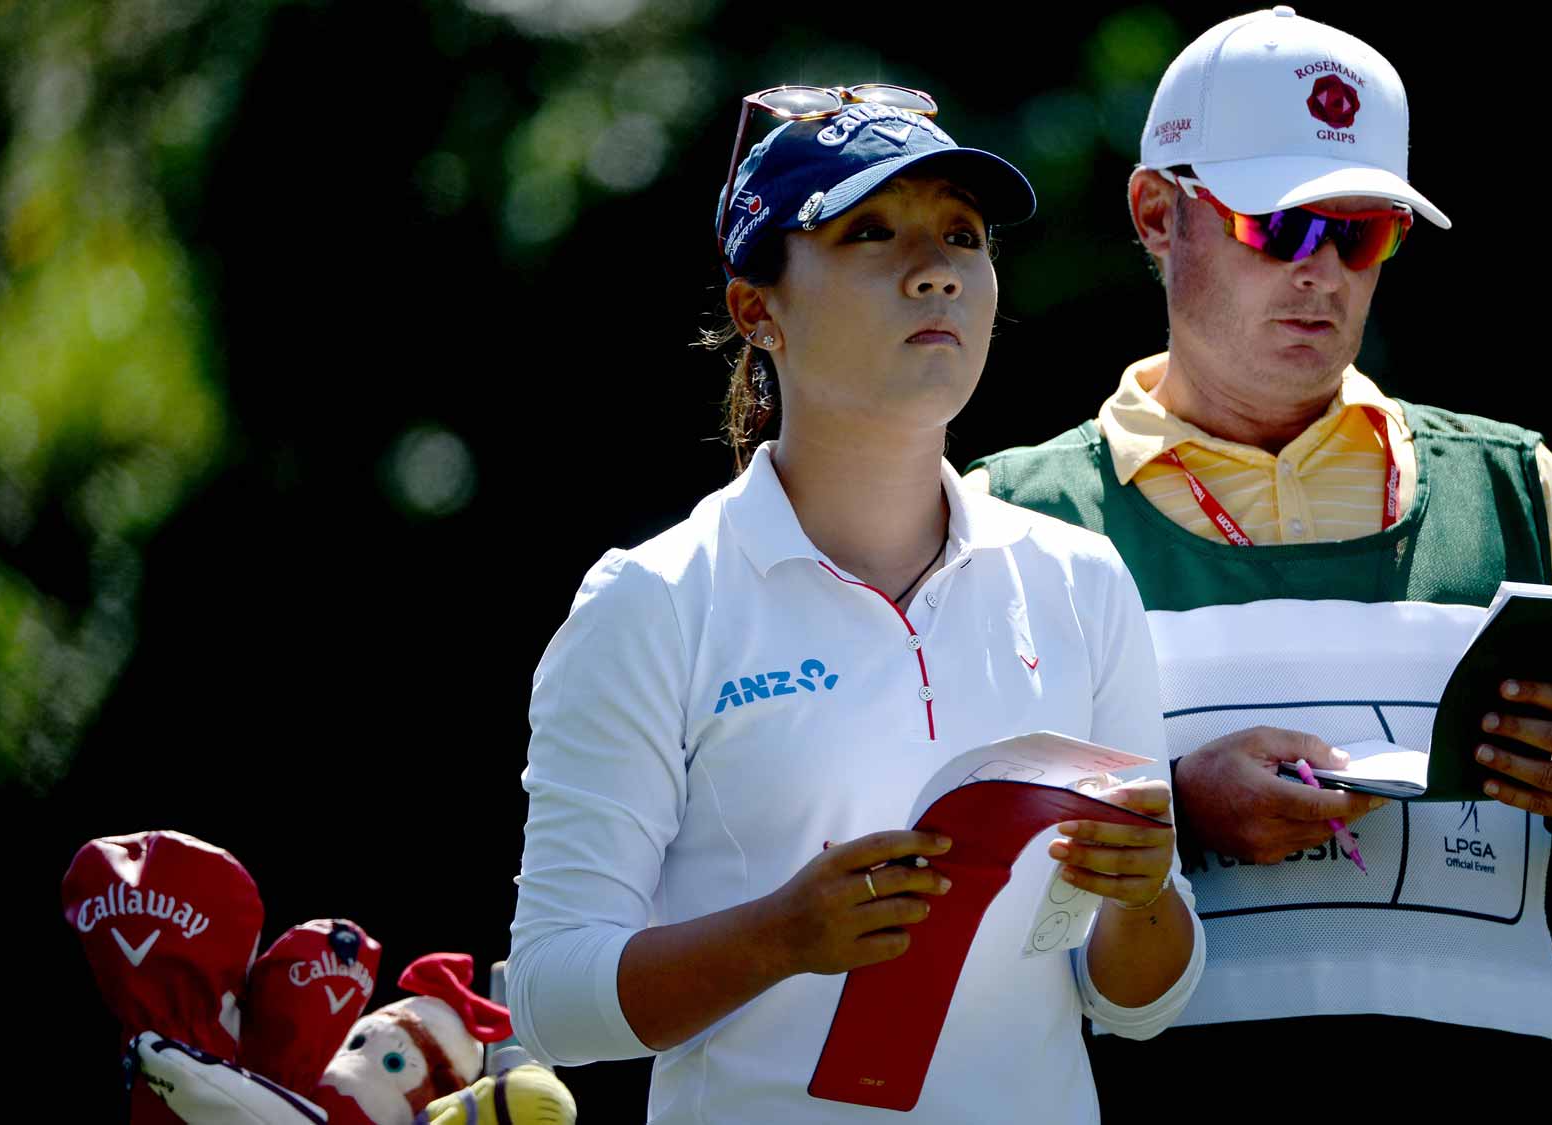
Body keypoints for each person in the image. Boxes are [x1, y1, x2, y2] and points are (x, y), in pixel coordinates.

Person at [967, 8, 1552, 1117]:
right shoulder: (1005, 516)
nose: (1320, 274)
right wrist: (1177, 812)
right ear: (1153, 213)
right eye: (1278, 226)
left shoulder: (1516, 489)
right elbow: (945, 882)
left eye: (1359, 232)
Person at [505, 84, 1203, 1124]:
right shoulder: (652, 601)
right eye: (867, 232)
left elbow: (1134, 1002)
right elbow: (552, 999)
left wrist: (1142, 892)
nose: (932, 271)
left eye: (960, 236)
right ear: (757, 310)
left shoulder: (1078, 580)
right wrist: (780, 936)